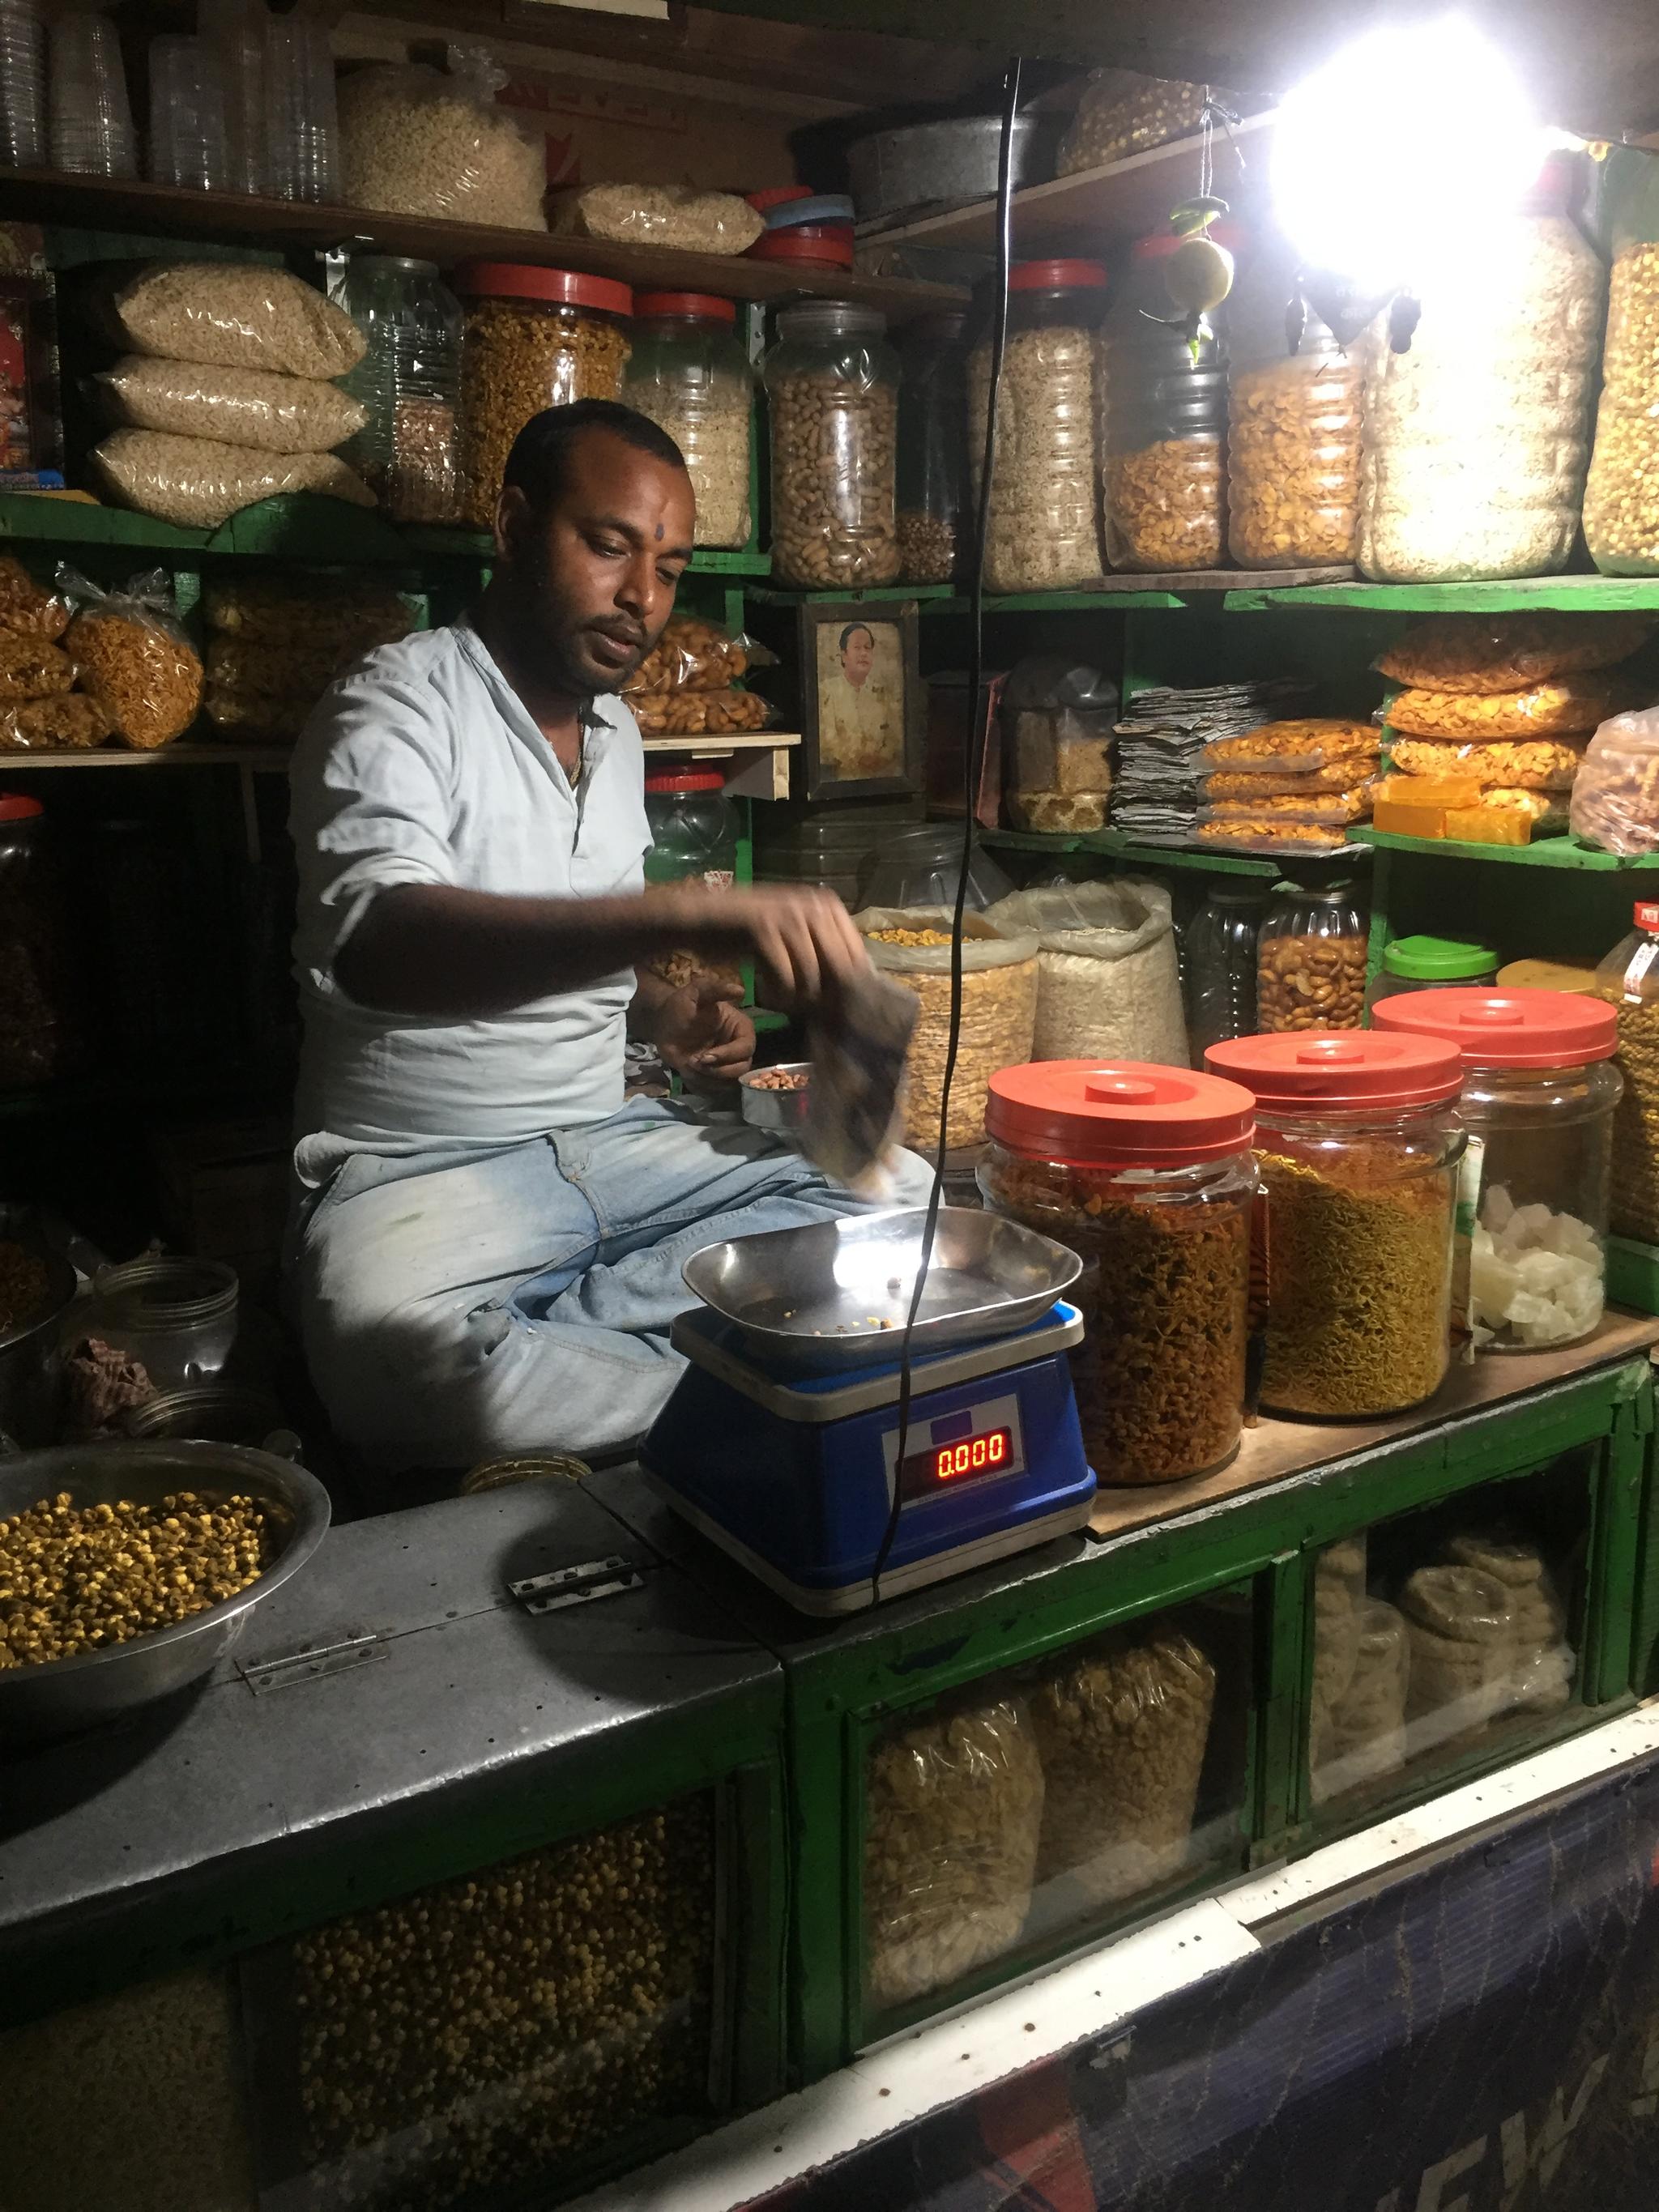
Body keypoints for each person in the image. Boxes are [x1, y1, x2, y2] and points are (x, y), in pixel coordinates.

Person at [288, 399, 931, 1473]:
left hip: (616, 1145)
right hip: (422, 1178)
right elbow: (378, 941)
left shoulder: (618, 731)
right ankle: (739, 1364)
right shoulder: (394, 706)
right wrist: (684, 911)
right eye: (608, 545)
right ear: (511, 525)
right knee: (394, 1362)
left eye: (671, 569)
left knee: (905, 1201)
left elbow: (566, 929)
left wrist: (659, 1003)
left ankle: (601, 1338)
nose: (643, 598)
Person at [821, 619, 901, 780]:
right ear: (844, 655)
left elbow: (895, 737)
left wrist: (881, 758)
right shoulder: (827, 691)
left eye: (867, 648)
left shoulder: (882, 693)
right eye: (857, 648)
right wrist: (858, 758)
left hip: (880, 778)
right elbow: (826, 742)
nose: (863, 653)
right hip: (840, 781)